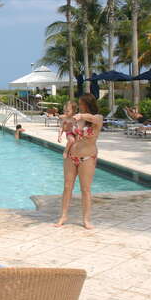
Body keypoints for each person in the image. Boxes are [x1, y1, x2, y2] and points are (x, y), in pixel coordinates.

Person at [55, 94, 103, 230]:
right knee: (67, 187)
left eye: (81, 104)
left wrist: (81, 116)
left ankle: (86, 219)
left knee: (85, 189)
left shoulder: (98, 118)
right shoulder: (77, 119)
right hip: (71, 157)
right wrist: (65, 128)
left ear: (88, 104)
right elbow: (67, 128)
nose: (79, 106)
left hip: (87, 158)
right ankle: (63, 216)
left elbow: (92, 118)